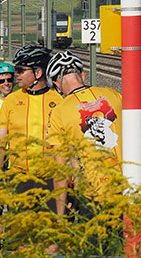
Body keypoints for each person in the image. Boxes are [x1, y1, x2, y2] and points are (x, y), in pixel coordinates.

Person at [46, 50, 124, 215]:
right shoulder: (113, 94)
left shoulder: (59, 112)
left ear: (56, 84)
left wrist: (60, 215)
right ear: (82, 74)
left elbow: (60, 168)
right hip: (129, 187)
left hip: (93, 195)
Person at [0, 45, 62, 210]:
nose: (16, 75)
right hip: (19, 179)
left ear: (38, 73)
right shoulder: (11, 100)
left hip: (52, 181)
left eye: (21, 70)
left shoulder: (59, 100)